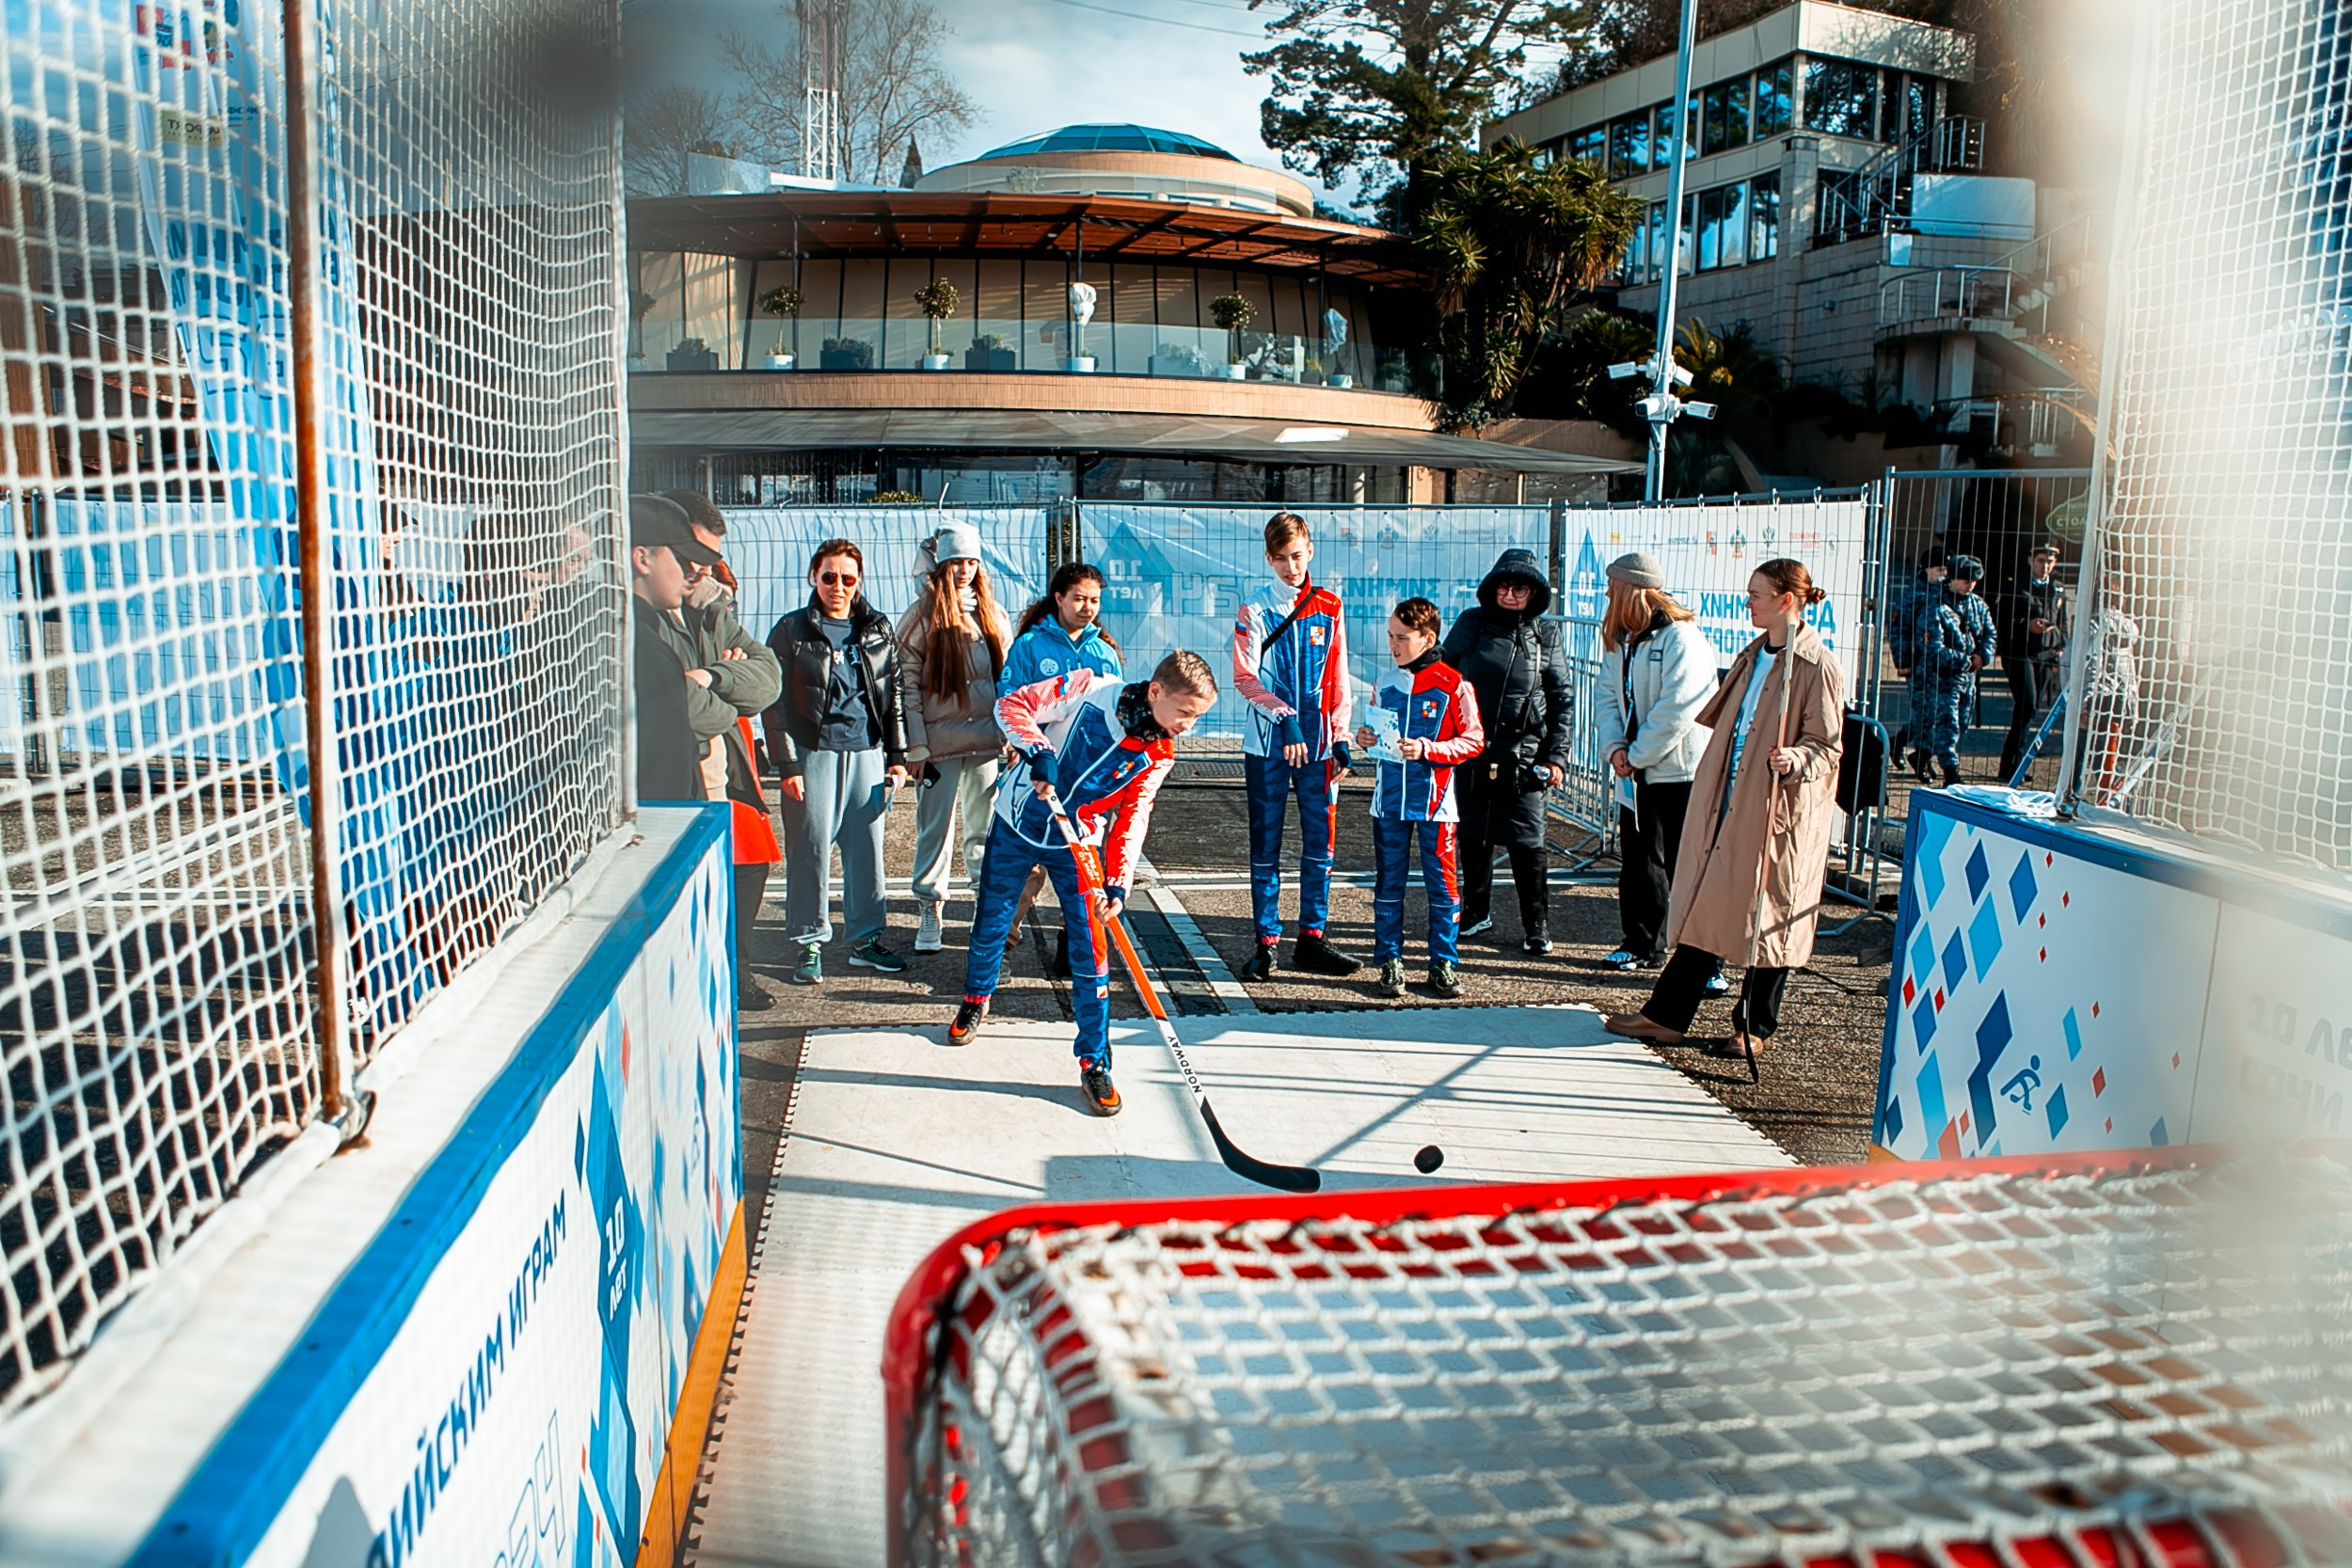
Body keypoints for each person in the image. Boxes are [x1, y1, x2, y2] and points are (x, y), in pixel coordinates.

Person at [947, 652, 1220, 1117]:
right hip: (1017, 822)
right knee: (992, 921)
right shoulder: (1091, 689)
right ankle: (976, 996)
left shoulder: (1160, 754)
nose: (1189, 726)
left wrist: (1117, 884)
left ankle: (1094, 1060)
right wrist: (1038, 752)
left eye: (1197, 718)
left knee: (1092, 949)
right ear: (1156, 692)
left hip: (1077, 845)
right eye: (1186, 713)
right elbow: (1013, 705)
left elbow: (1133, 819)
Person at [1602, 559, 1848, 1064]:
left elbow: (1827, 744)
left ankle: (1754, 1026)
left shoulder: (1815, 664)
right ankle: (1668, 1014)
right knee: (1710, 904)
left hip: (1777, 809)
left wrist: (1797, 757)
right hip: (1729, 800)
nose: (1747, 601)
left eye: (1757, 594)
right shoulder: (1756, 653)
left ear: (1786, 600)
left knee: (1769, 915)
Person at [651, 492, 786, 1011]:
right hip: (679, 773)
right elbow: (677, 704)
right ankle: (694, 985)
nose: (701, 567)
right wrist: (729, 699)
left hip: (726, 766)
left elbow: (766, 679)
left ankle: (736, 971)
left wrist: (713, 676)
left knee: (749, 863)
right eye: (693, 554)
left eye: (709, 557)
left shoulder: (710, 606)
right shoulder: (643, 613)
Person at [761, 538, 910, 988]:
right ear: (814, 577)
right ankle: (809, 940)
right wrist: (786, 765)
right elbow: (774, 703)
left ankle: (865, 939)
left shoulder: (878, 629)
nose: (838, 586)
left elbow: (895, 696)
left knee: (867, 851)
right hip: (814, 753)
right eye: (829, 577)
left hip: (866, 752)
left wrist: (898, 757)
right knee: (810, 850)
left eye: (848, 578)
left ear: (859, 580)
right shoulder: (791, 630)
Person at [1232, 512, 1359, 980]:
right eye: (1282, 558)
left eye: (1298, 556)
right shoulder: (1254, 608)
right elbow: (1244, 677)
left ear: (1311, 552)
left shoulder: (1330, 605)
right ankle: (1265, 943)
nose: (1291, 567)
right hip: (1267, 743)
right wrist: (1282, 717)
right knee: (1265, 846)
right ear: (1269, 558)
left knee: (1320, 845)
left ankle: (1312, 939)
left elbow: (1338, 676)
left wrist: (1342, 737)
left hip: (1320, 745)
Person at [1440, 548, 1570, 955]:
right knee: (1474, 836)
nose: (1511, 593)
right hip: (1472, 749)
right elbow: (1443, 678)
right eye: (1504, 585)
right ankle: (1476, 912)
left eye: (1522, 587)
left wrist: (1556, 757)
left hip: (1526, 753)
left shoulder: (1545, 633)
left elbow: (1562, 698)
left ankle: (1537, 925)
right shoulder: (1470, 624)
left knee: (1528, 841)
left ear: (1534, 593)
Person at [1355, 598, 1486, 1000]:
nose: (1394, 645)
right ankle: (1389, 961)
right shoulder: (1384, 684)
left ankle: (1442, 963)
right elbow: (1378, 738)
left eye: (1403, 638)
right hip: (1389, 801)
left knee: (1442, 887)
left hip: (1436, 803)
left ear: (1428, 638)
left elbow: (1474, 740)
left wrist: (1429, 749)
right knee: (1388, 884)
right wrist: (1366, 741)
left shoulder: (1454, 684)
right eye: (1391, 636)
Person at [1594, 551, 1716, 974]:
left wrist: (1639, 754)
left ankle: (1705, 960)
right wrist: (1615, 749)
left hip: (1679, 772)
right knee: (1640, 859)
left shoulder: (1682, 638)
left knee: (1688, 862)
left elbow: (1681, 706)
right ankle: (1642, 942)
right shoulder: (1619, 637)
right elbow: (1607, 697)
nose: (1608, 593)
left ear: (1631, 589)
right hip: (1636, 773)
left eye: (1614, 586)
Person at [999, 563, 1123, 972]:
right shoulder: (1031, 645)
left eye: (1094, 600)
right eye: (1079, 599)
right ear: (1059, 598)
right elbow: (1009, 698)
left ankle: (1073, 942)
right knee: (1031, 861)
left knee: (1081, 859)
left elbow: (1116, 711)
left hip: (1084, 775)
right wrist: (1027, 748)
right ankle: (1003, 937)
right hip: (1040, 772)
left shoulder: (1103, 651)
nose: (1087, 608)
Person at [898, 523, 1011, 953]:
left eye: (971, 561)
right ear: (942, 564)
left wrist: (1010, 736)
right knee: (934, 830)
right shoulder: (922, 614)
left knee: (983, 831)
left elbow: (1010, 681)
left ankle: (984, 906)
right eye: (956, 561)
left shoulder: (991, 612)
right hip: (938, 747)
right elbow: (905, 683)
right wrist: (916, 744)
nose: (964, 570)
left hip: (986, 742)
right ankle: (930, 909)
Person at [627, 495, 717, 804]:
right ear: (642, 559)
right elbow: (668, 783)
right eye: (680, 559)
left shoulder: (611, 633)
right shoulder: (644, 651)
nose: (691, 572)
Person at [1914, 554, 1999, 786]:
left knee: (1961, 724)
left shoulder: (1977, 604)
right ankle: (1952, 774)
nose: (1969, 585)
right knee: (1947, 724)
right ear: (1953, 578)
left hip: (1967, 679)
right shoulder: (1936, 606)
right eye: (1964, 580)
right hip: (1943, 678)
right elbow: (1933, 648)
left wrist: (1983, 656)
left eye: (1973, 580)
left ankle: (1921, 754)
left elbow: (1990, 634)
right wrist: (1965, 661)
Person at [1998, 540, 2071, 779]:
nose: (2045, 566)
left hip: (2046, 654)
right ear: (2030, 560)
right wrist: (2027, 627)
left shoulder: (2057, 589)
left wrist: (2061, 646)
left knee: (2031, 709)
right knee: (2026, 704)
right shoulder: (2016, 586)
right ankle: (2010, 764)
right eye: (2040, 561)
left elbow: (2062, 622)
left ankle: (2014, 764)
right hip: (2020, 652)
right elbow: (2002, 623)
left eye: (2049, 561)